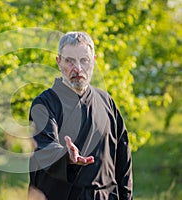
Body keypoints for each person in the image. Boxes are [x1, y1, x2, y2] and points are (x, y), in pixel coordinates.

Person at [28, 32, 133, 200]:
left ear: (94, 61)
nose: (78, 68)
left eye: (84, 60)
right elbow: (43, 148)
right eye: (69, 61)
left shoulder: (106, 102)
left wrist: (126, 196)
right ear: (58, 62)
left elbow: (123, 156)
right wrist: (65, 156)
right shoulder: (45, 104)